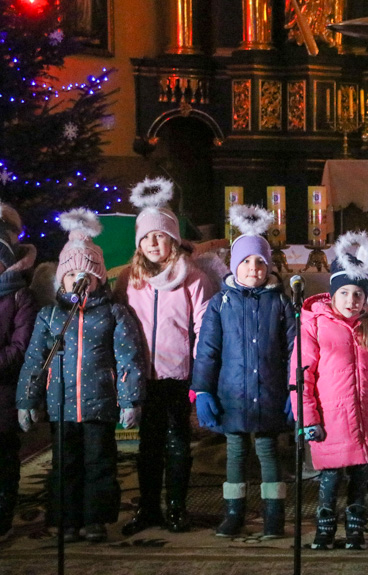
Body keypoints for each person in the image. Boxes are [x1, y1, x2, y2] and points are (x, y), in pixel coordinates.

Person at [16, 209, 146, 543]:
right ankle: (66, 519)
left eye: (86, 273)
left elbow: (129, 356)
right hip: (61, 406)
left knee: (99, 463)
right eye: (71, 273)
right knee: (65, 464)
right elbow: (34, 359)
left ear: (99, 277)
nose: (79, 279)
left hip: (98, 404)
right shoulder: (49, 316)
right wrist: (26, 399)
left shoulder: (114, 313)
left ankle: (95, 519)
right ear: (61, 279)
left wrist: (131, 399)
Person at [117, 177, 219, 536]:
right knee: (149, 444)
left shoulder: (193, 278)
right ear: (139, 243)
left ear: (173, 239)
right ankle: (148, 508)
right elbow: (120, 327)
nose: (153, 243)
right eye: (146, 237)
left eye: (160, 235)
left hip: (178, 374)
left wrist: (199, 374)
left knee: (178, 442)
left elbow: (204, 329)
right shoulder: (129, 279)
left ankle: (177, 507)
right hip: (143, 374)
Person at [191, 204, 295, 540]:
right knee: (235, 452)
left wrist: (296, 390)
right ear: (236, 265)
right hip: (232, 394)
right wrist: (203, 390)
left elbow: (296, 349)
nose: (254, 268)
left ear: (268, 267)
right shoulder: (220, 304)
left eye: (260, 262)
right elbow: (208, 350)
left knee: (268, 452)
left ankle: (273, 516)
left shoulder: (280, 302)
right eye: (247, 262)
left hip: (269, 393)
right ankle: (233, 513)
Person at [291, 231, 368, 551]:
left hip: (364, 417)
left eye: (358, 294)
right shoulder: (314, 323)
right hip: (330, 420)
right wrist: (307, 418)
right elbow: (301, 376)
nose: (352, 300)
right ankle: (325, 529)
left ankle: (355, 530)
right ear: (333, 294)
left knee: (360, 479)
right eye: (345, 293)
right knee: (331, 478)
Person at [0, 202, 38, 541]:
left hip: (3, 393)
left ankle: (3, 514)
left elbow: (20, 347)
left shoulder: (18, 298)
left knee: (4, 457)